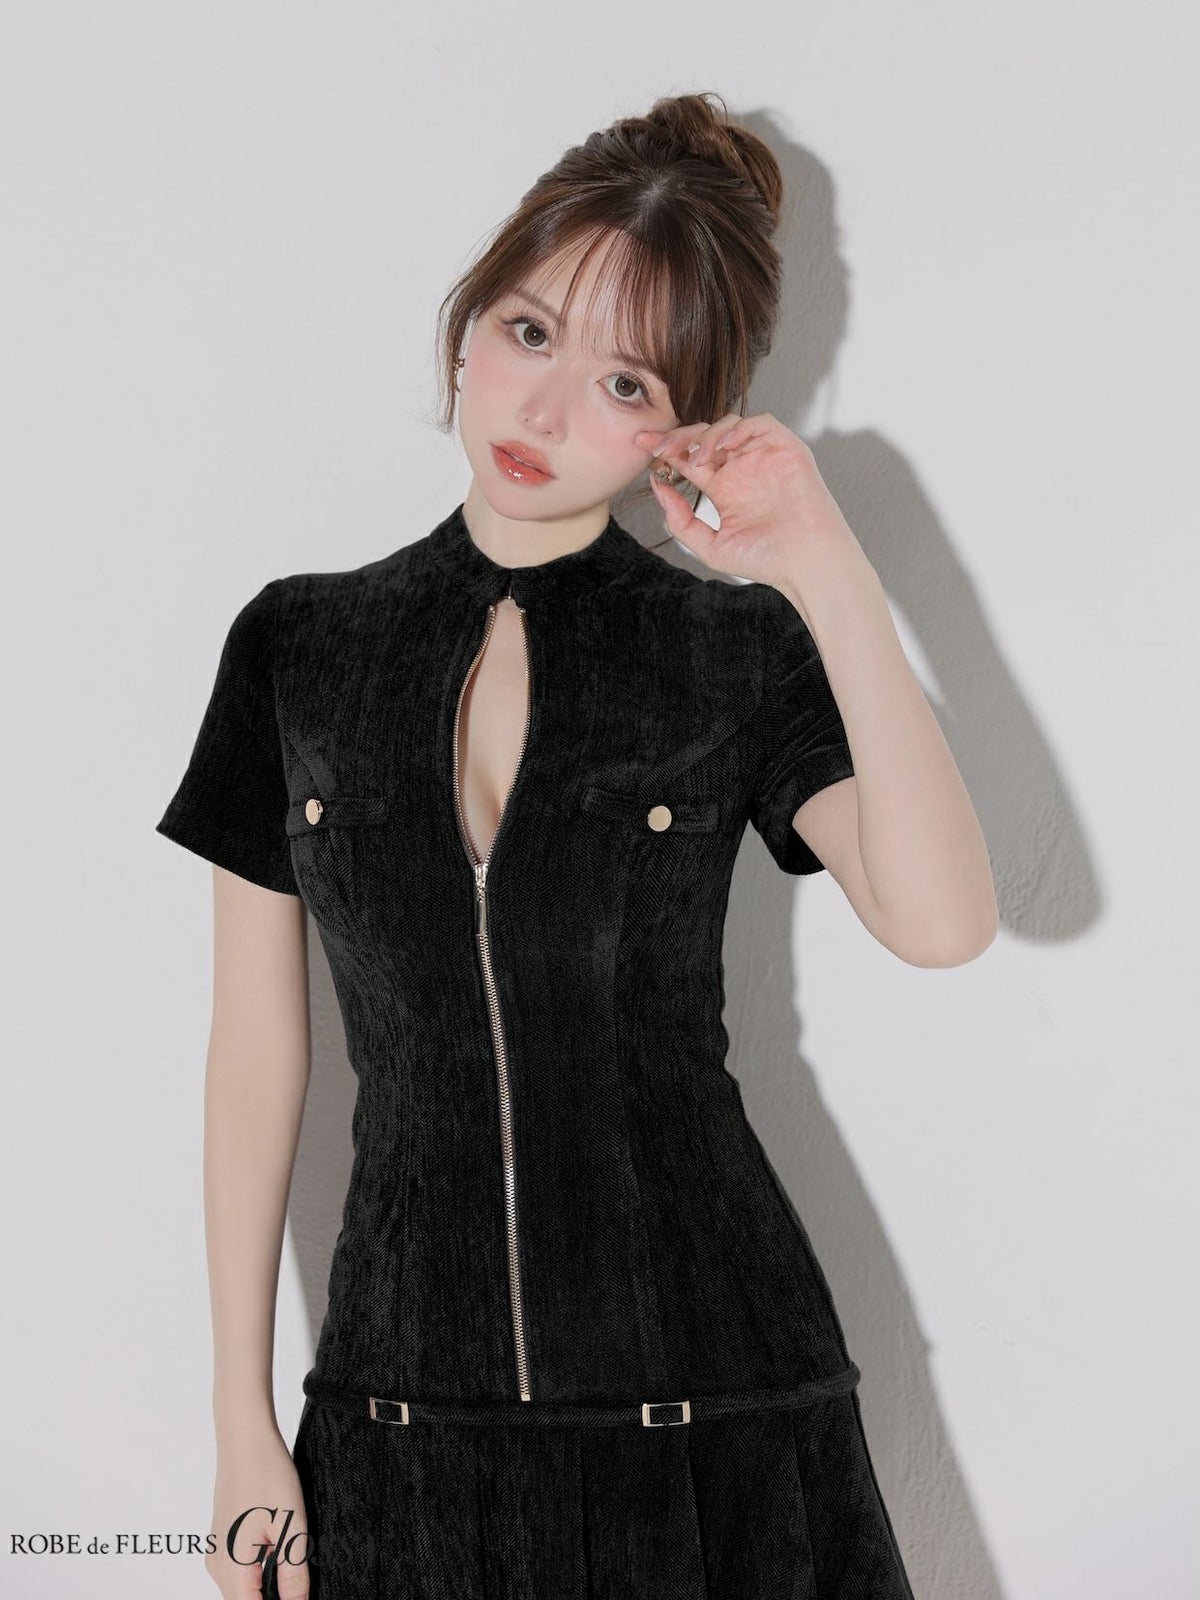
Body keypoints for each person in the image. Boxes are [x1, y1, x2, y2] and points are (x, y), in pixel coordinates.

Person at [157, 90, 996, 1600]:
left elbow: (942, 922)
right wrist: (239, 1423)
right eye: (530, 332)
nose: (542, 414)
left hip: (717, 1416)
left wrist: (821, 565)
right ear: (470, 323)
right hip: (401, 1425)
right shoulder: (298, 648)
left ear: (686, 422)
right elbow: (253, 1061)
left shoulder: (733, 652)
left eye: (622, 380)